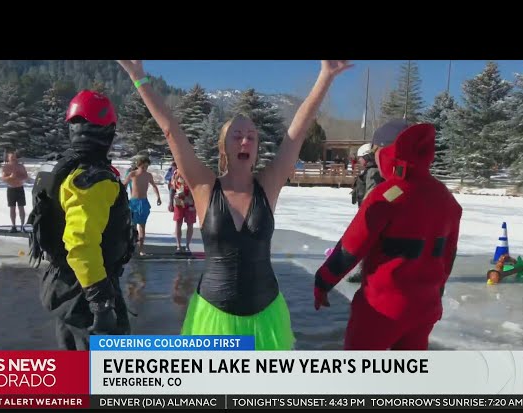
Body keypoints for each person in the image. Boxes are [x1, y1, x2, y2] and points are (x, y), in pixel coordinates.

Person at [117, 59, 352, 350]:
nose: (245, 141)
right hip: (215, 317)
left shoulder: (268, 185)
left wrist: (325, 77)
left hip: (266, 316)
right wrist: (138, 76)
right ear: (223, 146)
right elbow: (171, 130)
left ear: (256, 147)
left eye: (251, 137)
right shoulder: (204, 187)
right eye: (237, 136)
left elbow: (296, 134)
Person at [314, 119, 463, 350]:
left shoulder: (386, 196)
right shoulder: (446, 198)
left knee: (358, 379)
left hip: (381, 310)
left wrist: (323, 282)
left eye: (376, 151)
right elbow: (448, 257)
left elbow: (351, 248)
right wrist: (435, 293)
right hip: (425, 309)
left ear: (389, 151)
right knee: (406, 380)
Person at [28, 90, 135, 351]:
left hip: (66, 284)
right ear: (108, 132)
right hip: (85, 291)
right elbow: (80, 244)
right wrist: (101, 302)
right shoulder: (94, 180)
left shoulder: (67, 170)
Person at [347, 142, 384, 283]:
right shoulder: (369, 171)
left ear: (367, 157)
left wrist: (365, 214)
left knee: (369, 244)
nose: (359, 161)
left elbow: (372, 192)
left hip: (370, 215)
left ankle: (367, 272)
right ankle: (367, 270)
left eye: (361, 158)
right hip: (367, 213)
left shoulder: (373, 172)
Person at [122, 154, 162, 256]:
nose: (145, 168)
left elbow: (154, 186)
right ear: (139, 165)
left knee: (142, 227)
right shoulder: (132, 174)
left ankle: (141, 250)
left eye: (147, 167)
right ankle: (130, 249)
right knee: (132, 227)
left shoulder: (148, 175)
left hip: (143, 202)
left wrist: (158, 197)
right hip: (133, 202)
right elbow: (124, 185)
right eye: (143, 166)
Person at [1, 150, 29, 232]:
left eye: (14, 157)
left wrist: (20, 177)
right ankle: (13, 226)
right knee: (12, 208)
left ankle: (22, 225)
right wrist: (10, 177)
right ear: (8, 158)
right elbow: (3, 179)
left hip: (19, 188)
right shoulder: (6, 167)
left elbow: (26, 176)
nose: (13, 159)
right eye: (11, 157)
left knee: (21, 207)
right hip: (11, 189)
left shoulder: (20, 167)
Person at [170, 168, 196, 254]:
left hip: (191, 201)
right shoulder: (176, 172)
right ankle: (178, 246)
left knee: (190, 223)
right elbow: (172, 188)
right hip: (179, 201)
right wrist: (170, 202)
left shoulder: (193, 171)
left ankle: (187, 246)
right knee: (178, 222)